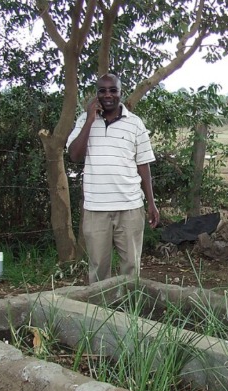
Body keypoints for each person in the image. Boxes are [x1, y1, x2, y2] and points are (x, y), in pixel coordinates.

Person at [67, 73, 159, 284]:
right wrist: (90, 119)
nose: (108, 95)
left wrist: (151, 203)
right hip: (95, 208)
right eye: (102, 91)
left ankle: (129, 315)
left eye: (113, 90)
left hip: (130, 207)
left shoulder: (135, 123)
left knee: (131, 268)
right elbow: (74, 155)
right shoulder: (83, 121)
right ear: (96, 94)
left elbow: (143, 165)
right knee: (98, 268)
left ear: (120, 92)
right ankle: (101, 314)